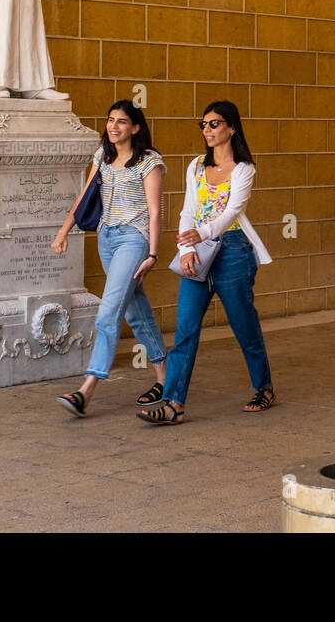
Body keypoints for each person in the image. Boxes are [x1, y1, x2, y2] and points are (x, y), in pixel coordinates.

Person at [138, 101, 274, 425]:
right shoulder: (196, 165)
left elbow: (231, 212)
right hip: (197, 251)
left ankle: (264, 387)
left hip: (232, 251)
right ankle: (173, 403)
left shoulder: (244, 169)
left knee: (243, 325)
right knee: (185, 327)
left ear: (231, 128)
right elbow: (187, 208)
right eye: (204, 124)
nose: (207, 130)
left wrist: (200, 233)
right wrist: (187, 249)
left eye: (214, 124)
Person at [53, 100, 168, 416]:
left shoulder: (149, 162)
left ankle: (86, 390)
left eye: (121, 121)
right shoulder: (102, 156)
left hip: (134, 239)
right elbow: (85, 195)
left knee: (108, 312)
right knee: (135, 310)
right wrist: (64, 231)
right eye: (110, 120)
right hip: (106, 238)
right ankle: (166, 379)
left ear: (135, 127)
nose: (114, 126)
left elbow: (156, 211)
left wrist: (153, 254)